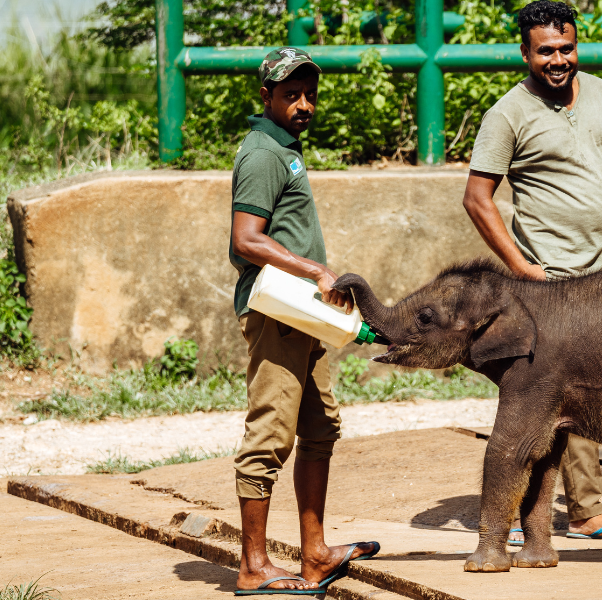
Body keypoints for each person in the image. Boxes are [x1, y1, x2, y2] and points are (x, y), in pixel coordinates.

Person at [462, 0, 602, 545]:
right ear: (525, 52)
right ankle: (535, 515)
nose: (558, 60)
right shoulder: (507, 114)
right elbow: (477, 198)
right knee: (543, 398)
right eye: (545, 51)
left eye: (567, 48)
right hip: (548, 281)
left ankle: (580, 511)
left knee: (592, 388)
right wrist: (523, 268)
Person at [228, 47, 378, 593]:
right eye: (290, 95)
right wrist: (316, 269)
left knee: (319, 428)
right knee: (270, 434)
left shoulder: (285, 148)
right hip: (277, 311)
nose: (303, 105)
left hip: (302, 312)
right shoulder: (262, 154)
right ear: (266, 96)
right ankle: (253, 566)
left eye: (309, 95)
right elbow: (246, 240)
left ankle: (315, 553)